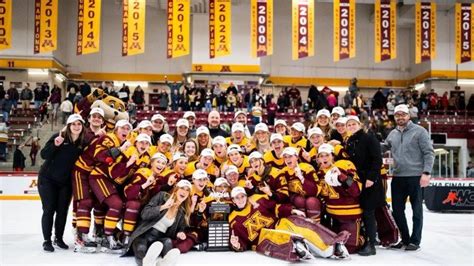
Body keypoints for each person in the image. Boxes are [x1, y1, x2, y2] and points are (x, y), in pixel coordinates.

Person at [382, 104, 434, 251]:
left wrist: (426, 173)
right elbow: (384, 147)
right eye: (397, 115)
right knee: (397, 211)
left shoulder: (420, 131)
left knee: (417, 210)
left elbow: (429, 153)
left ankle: (415, 241)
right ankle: (405, 239)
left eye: (403, 114)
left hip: (416, 176)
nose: (400, 117)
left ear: (408, 116)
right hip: (398, 177)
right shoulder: (392, 134)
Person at [38, 114, 85, 252]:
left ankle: (58, 238)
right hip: (48, 179)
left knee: (62, 211)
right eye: (73, 124)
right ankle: (47, 240)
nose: (76, 127)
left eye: (79, 124)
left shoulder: (82, 143)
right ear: (69, 126)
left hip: (66, 182)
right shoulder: (58, 137)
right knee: (49, 209)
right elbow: (43, 155)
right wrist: (55, 145)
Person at [126, 180, 192, 266]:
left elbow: (180, 229)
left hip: (159, 239)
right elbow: (145, 214)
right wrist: (163, 207)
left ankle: (163, 263)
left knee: (167, 242)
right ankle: (146, 263)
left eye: (187, 190)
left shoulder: (181, 212)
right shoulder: (162, 196)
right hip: (143, 234)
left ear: (188, 195)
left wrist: (180, 233)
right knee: (141, 248)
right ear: (176, 189)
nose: (184, 191)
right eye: (182, 188)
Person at [345, 115, 385, 256]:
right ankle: (363, 240)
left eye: (353, 124)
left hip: (369, 181)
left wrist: (371, 178)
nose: (351, 126)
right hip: (357, 182)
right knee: (362, 211)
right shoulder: (349, 140)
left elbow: (377, 159)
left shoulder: (369, 138)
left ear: (359, 124)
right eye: (348, 125)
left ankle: (372, 244)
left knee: (368, 212)